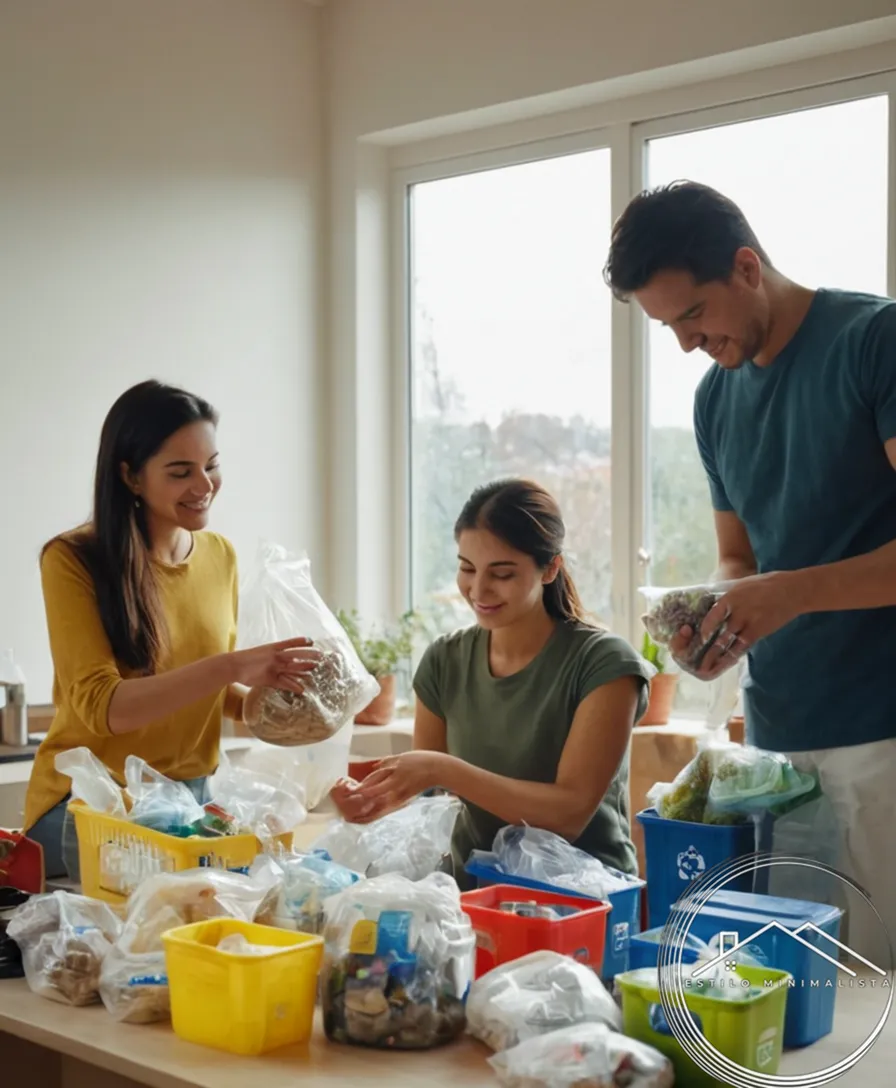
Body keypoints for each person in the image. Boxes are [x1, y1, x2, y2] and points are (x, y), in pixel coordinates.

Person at [603, 180, 896, 952]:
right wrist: (716, 621)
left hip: (881, 735)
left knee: (875, 1002)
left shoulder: (874, 341)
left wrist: (785, 595)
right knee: (796, 994)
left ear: (744, 267)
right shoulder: (714, 401)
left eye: (693, 315)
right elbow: (742, 556)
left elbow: (782, 582)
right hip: (775, 743)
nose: (687, 344)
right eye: (667, 326)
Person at [25, 380, 319, 881]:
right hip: (91, 809)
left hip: (189, 804)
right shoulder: (74, 560)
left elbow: (203, 685)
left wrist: (259, 703)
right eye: (181, 472)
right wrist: (235, 665)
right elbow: (104, 708)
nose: (204, 484)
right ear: (130, 476)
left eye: (212, 465)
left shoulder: (219, 555)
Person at [331, 478, 653, 888]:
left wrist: (442, 769)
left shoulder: (605, 664)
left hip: (585, 899)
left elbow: (567, 816)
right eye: (467, 568)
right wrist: (364, 800)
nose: (478, 589)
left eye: (501, 573)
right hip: (474, 895)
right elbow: (427, 806)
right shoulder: (444, 661)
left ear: (550, 568)